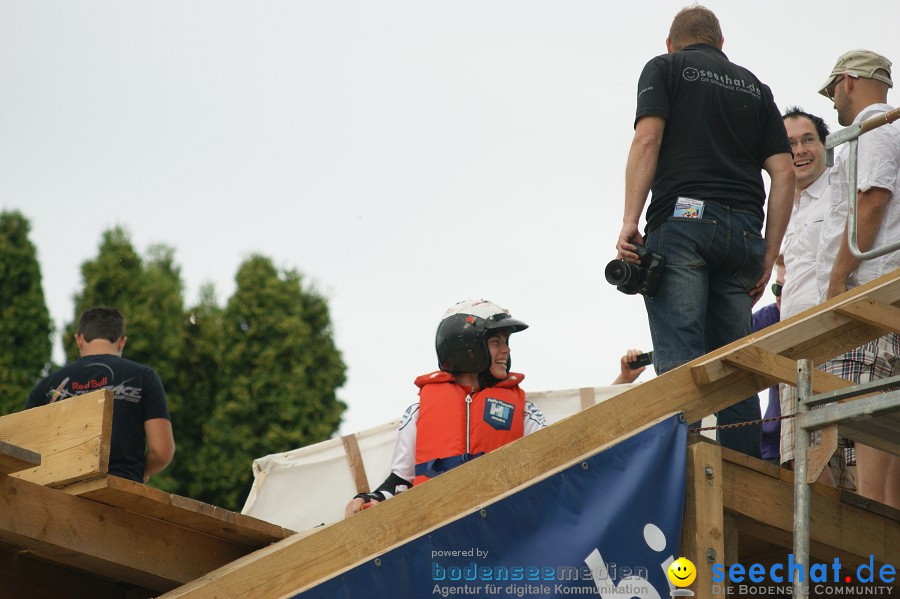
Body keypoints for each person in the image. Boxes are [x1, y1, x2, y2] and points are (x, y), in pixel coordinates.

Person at [615, 5, 794, 458]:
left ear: (671, 43)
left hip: (683, 223)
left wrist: (630, 221)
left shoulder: (664, 68)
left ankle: (684, 482)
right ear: (721, 45)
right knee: (734, 370)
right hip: (742, 236)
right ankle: (745, 485)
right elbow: (784, 172)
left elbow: (647, 140)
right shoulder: (755, 86)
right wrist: (769, 254)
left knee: (681, 361)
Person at [344, 300, 546, 517]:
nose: (506, 350)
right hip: (438, 527)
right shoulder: (418, 413)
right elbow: (401, 482)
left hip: (505, 521)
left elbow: (549, 463)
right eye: (496, 342)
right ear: (467, 347)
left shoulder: (525, 411)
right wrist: (369, 498)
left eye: (506, 341)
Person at [816, 49, 900, 508]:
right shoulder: (888, 126)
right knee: (883, 418)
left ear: (847, 81)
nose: (831, 101)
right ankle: (885, 534)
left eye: (831, 90)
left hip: (867, 288)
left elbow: (871, 202)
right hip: (882, 289)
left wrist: (837, 281)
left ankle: (874, 542)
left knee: (861, 414)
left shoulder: (874, 126)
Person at [26, 307, 175, 484]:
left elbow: (28, 451)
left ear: (79, 340)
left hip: (59, 492)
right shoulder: (144, 377)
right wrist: (142, 471)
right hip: (121, 490)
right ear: (121, 342)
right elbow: (161, 451)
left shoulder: (47, 386)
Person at [754, 257, 783, 464]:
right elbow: (713, 343)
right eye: (777, 289)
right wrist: (641, 361)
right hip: (774, 447)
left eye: (787, 288)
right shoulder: (771, 317)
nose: (780, 296)